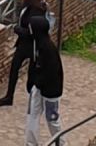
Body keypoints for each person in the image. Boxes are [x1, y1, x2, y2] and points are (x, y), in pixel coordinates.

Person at [0, 0, 48, 108]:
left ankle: (34, 97)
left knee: (32, 72)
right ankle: (9, 96)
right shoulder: (30, 4)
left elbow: (33, 30)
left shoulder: (36, 9)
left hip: (32, 44)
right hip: (23, 44)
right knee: (14, 68)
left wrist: (17, 29)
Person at [24, 10, 64, 143]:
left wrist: (39, 82)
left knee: (52, 119)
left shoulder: (49, 49)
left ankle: (60, 143)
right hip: (38, 87)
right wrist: (32, 83)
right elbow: (33, 64)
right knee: (32, 115)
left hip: (50, 91)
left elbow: (52, 72)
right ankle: (31, 143)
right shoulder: (36, 43)